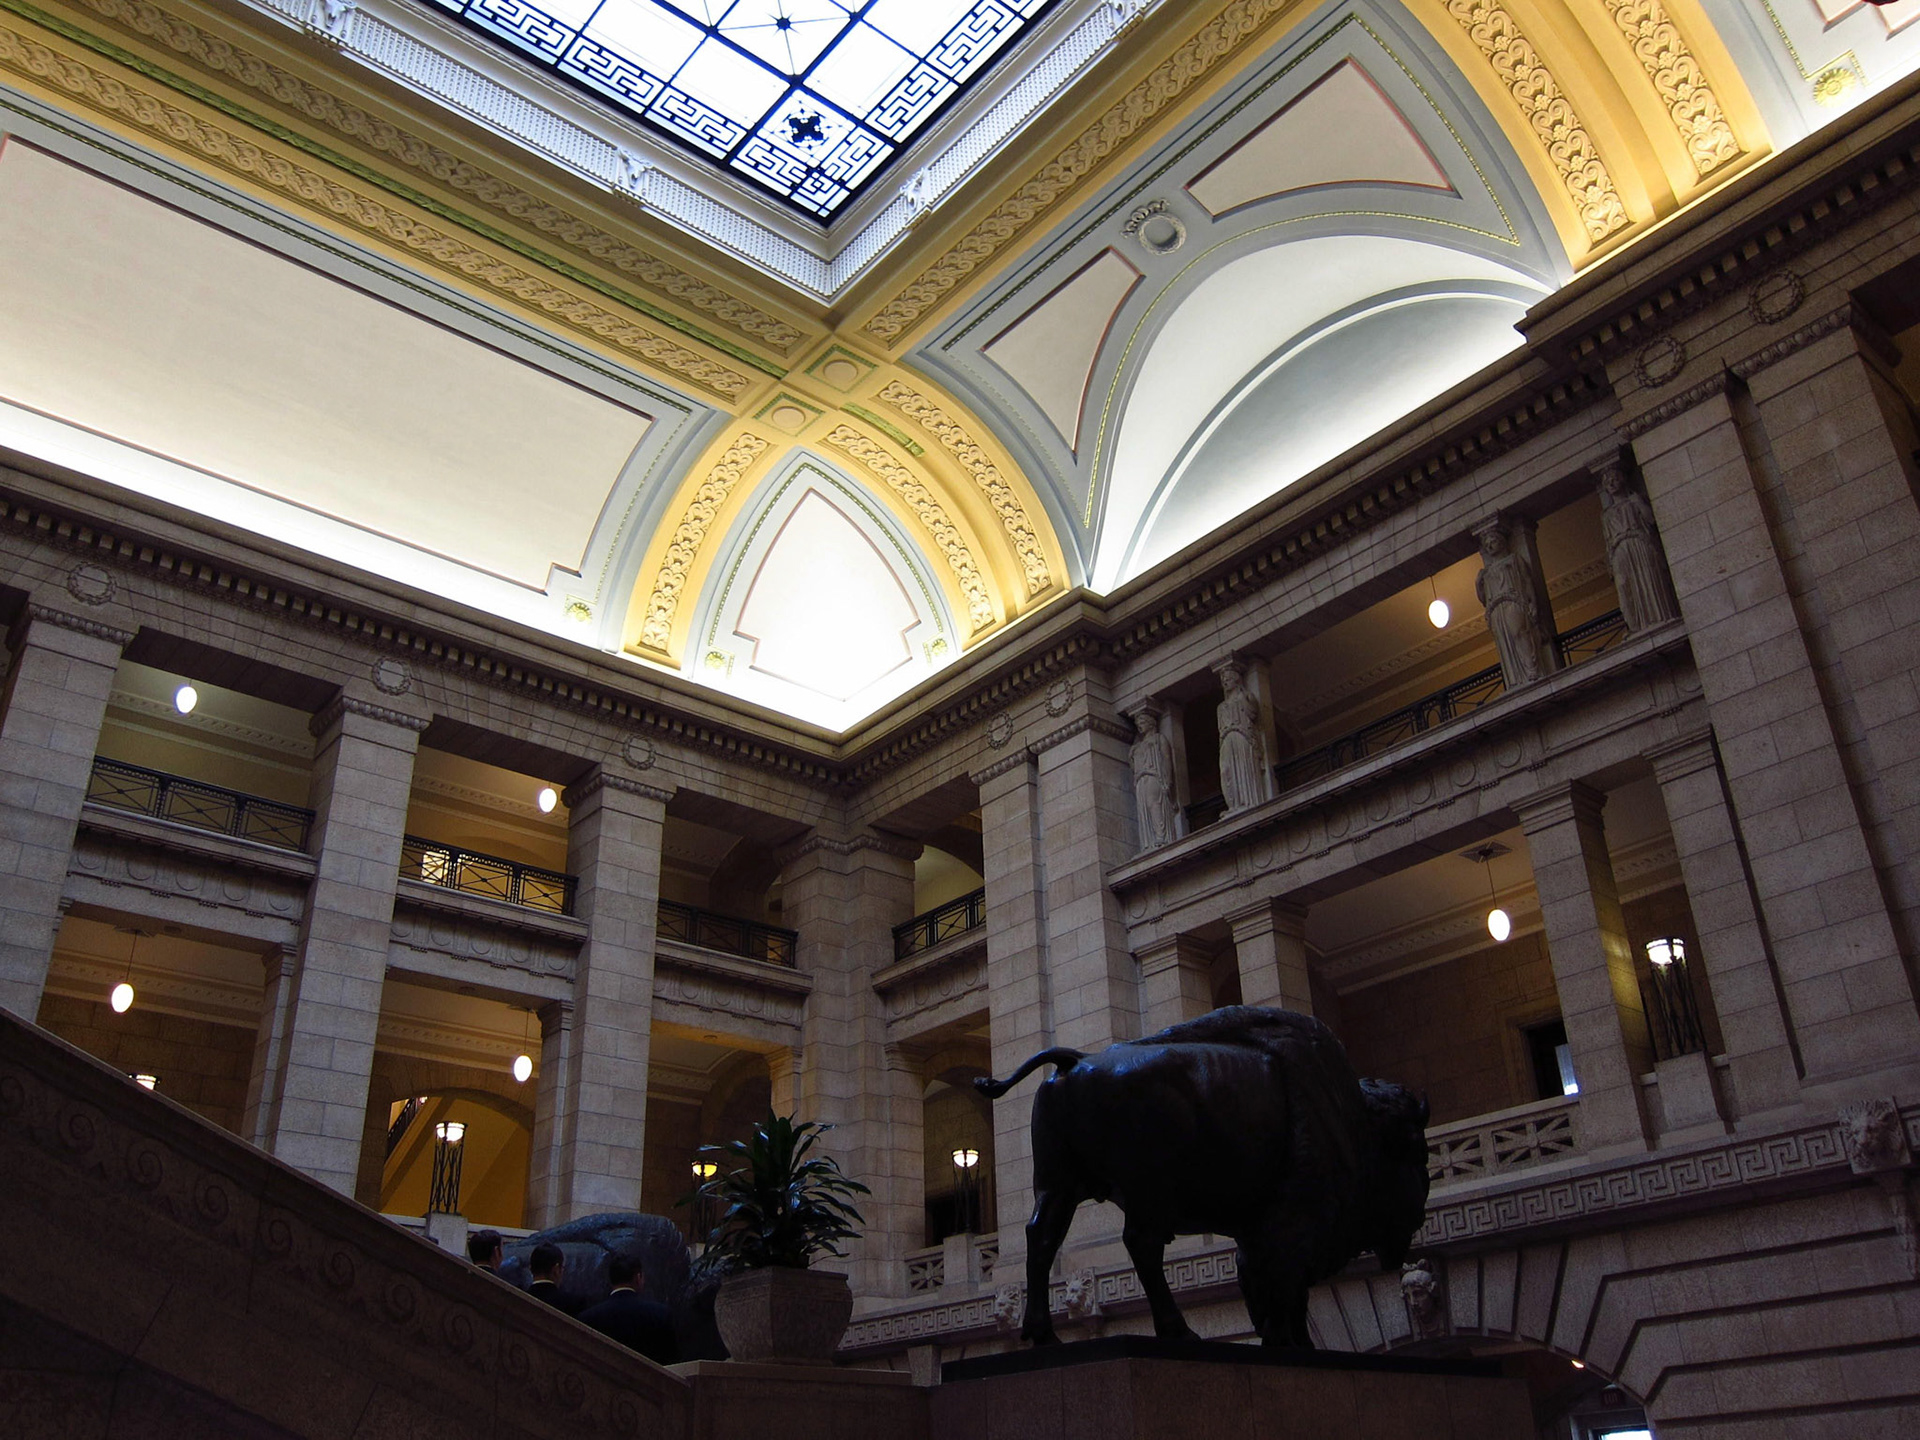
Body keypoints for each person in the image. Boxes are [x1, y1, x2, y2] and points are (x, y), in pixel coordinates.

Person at [577, 1252, 676, 1365]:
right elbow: (672, 1360)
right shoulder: (661, 1314)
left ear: (611, 1280)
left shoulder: (588, 1318)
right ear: (638, 1278)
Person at [526, 1242, 576, 1313]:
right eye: (562, 1268)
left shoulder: (517, 1301)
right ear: (556, 1270)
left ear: (530, 1269)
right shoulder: (573, 1304)